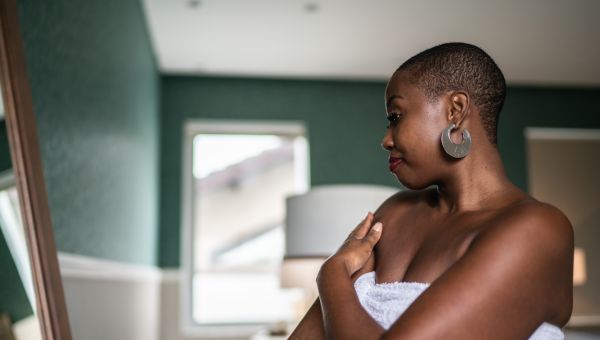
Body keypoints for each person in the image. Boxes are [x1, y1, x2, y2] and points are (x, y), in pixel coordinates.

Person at [288, 42, 573, 339]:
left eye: (395, 116)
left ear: (456, 110)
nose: (385, 140)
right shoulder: (395, 214)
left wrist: (331, 276)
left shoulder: (538, 230)